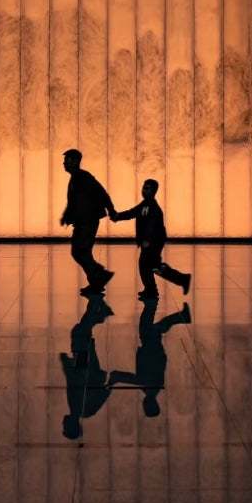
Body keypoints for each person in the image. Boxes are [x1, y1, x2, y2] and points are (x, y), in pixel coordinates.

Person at [108, 300, 191, 417]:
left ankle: (179, 315)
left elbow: (136, 379)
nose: (144, 405)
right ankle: (152, 303)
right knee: (147, 326)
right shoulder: (151, 388)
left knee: (154, 327)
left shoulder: (152, 389)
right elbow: (135, 379)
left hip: (152, 351)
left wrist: (116, 378)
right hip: (151, 350)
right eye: (147, 407)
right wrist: (116, 377)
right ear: (152, 405)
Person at [111, 179, 191, 301]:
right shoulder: (145, 204)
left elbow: (152, 225)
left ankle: (153, 289)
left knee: (146, 264)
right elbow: (132, 212)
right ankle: (180, 280)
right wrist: (118, 216)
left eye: (147, 188)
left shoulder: (153, 207)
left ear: (153, 191)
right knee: (153, 266)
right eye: (144, 188)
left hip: (154, 241)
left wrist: (148, 239)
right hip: (152, 241)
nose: (144, 190)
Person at [59, 149, 117, 295]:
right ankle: (96, 284)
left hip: (87, 222)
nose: (64, 163)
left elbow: (101, 193)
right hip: (84, 221)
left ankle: (100, 274)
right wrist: (67, 215)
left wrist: (111, 210)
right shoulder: (77, 178)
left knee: (79, 252)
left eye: (67, 160)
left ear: (75, 161)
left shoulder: (83, 177)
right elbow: (74, 202)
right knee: (84, 253)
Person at [59, 294, 115, 440]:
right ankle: (98, 305)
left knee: (82, 332)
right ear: (73, 425)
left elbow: (104, 393)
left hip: (90, 369)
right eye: (66, 426)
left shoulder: (86, 411)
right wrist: (67, 365)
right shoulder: (79, 408)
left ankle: (97, 305)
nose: (63, 424)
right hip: (84, 366)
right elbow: (75, 382)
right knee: (80, 334)